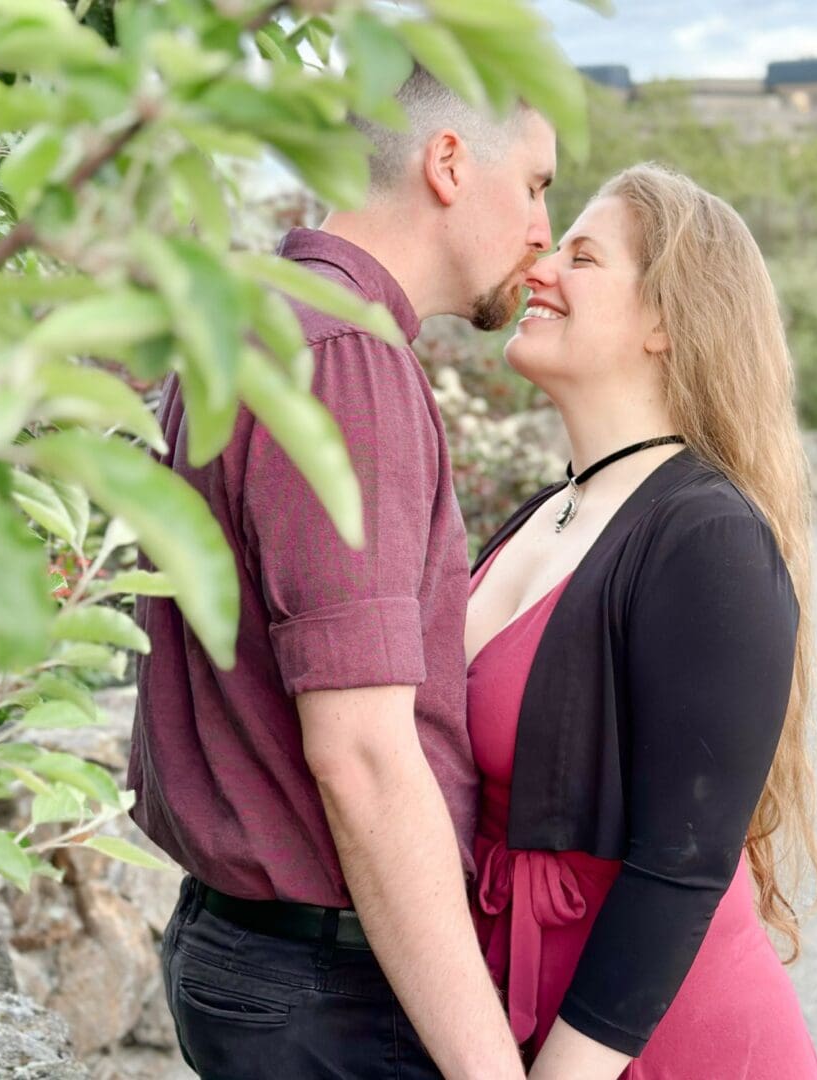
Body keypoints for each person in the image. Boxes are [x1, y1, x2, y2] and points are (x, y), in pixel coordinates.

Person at [128, 65, 556, 1080]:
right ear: (447, 163)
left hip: (258, 958)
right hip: (326, 989)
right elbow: (362, 755)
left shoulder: (259, 319)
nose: (545, 230)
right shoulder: (344, 360)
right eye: (537, 185)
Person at [464, 163, 817, 1078]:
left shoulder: (708, 537)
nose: (540, 268)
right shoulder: (549, 511)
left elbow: (680, 870)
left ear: (667, 321)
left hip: (652, 1049)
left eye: (583, 257)